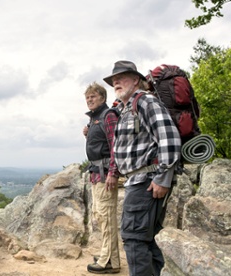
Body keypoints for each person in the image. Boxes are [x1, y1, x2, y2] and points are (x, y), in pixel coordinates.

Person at [103, 60, 181, 276]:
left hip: (145, 183)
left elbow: (170, 138)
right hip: (138, 181)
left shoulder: (145, 102)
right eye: (113, 80)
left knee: (134, 239)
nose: (116, 82)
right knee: (148, 238)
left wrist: (163, 178)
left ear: (136, 80)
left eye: (121, 78)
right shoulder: (128, 108)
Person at [83, 82, 121, 274]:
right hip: (97, 174)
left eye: (93, 96)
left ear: (103, 98)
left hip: (106, 174)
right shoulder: (95, 119)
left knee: (106, 217)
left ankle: (110, 262)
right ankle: (109, 256)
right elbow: (100, 146)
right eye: (87, 97)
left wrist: (113, 173)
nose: (89, 100)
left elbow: (116, 146)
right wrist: (88, 135)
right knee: (101, 215)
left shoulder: (108, 115)